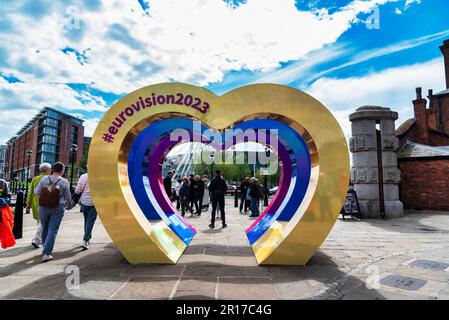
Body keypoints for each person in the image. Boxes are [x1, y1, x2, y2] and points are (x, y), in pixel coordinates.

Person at [35, 162, 74, 262]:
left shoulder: (44, 179)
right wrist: (70, 205)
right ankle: (47, 253)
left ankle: (45, 248)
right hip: (58, 207)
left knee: (45, 227)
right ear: (62, 170)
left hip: (43, 207)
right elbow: (68, 197)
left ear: (52, 169)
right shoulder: (64, 182)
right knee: (53, 229)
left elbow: (37, 192)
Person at [26, 163, 51, 249]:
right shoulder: (49, 178)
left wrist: (28, 204)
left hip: (35, 202)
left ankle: (39, 239)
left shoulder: (35, 178)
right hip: (45, 202)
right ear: (47, 170)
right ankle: (37, 239)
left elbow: (31, 192)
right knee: (43, 221)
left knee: (40, 221)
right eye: (50, 169)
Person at [74, 171, 97, 250]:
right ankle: (85, 240)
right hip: (94, 203)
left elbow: (77, 190)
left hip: (83, 202)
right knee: (90, 222)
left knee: (86, 221)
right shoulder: (97, 177)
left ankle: (88, 238)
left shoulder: (83, 176)